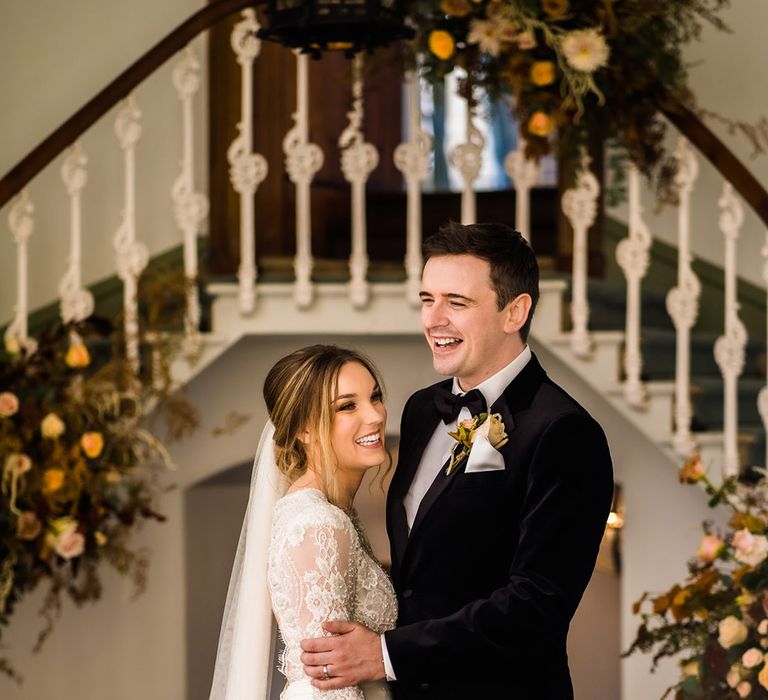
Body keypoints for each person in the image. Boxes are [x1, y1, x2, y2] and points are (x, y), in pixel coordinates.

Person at [300, 222, 614, 699]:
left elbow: (537, 604)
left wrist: (385, 654)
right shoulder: (422, 409)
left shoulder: (565, 432)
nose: (433, 319)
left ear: (515, 312)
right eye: (427, 300)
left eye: (457, 303)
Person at [209, 345, 397, 700]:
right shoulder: (318, 523)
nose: (374, 416)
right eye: (347, 406)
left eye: (375, 397)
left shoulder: (332, 513)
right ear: (304, 430)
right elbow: (329, 684)